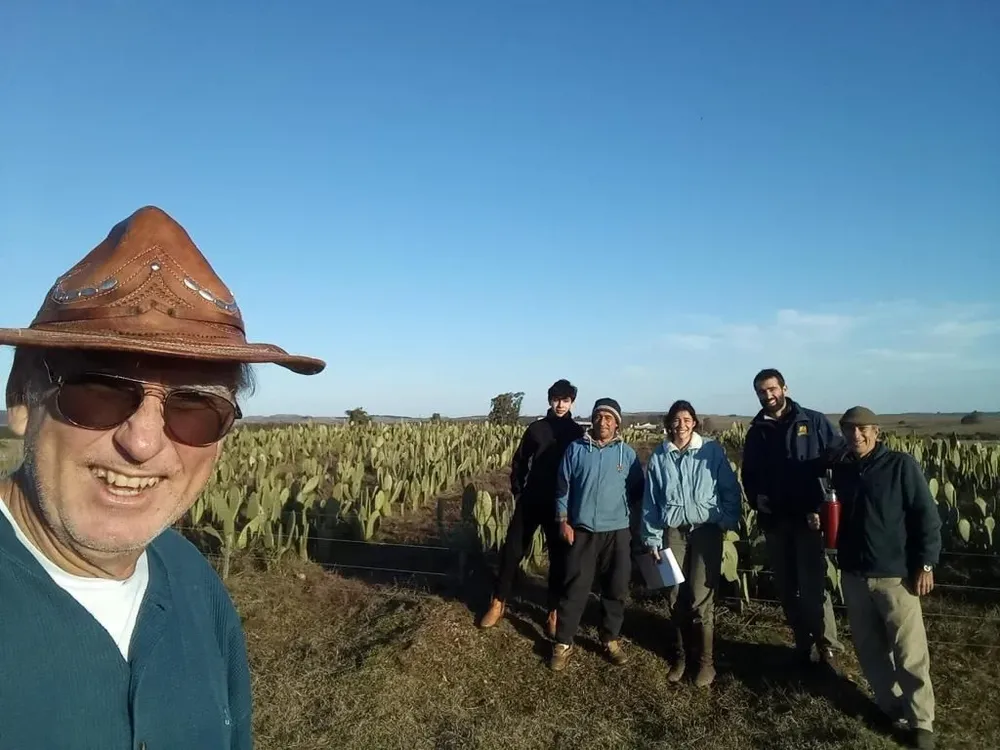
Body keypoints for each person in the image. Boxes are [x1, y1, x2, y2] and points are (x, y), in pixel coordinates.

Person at [0, 205, 325, 749]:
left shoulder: (192, 579)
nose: (144, 443)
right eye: (98, 392)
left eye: (196, 408)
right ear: (22, 399)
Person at [824, 407, 941, 750]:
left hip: (895, 576)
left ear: (876, 431)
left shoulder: (900, 466)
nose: (855, 436)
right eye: (849, 430)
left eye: (862, 430)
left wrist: (927, 564)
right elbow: (838, 516)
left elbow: (926, 516)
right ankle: (890, 708)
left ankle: (922, 723)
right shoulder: (843, 470)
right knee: (870, 648)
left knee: (909, 651)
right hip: (855, 574)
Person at [739, 368, 845, 668]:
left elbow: (837, 461)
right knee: (786, 587)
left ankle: (829, 648)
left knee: (813, 587)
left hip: (808, 520)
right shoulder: (757, 429)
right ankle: (803, 643)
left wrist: (824, 506)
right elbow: (750, 473)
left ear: (784, 387)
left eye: (772, 389)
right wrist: (755, 497)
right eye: (761, 391)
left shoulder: (812, 421)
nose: (768, 395)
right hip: (774, 520)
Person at [640, 400, 741, 687]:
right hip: (673, 532)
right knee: (675, 596)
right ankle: (682, 657)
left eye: (686, 419)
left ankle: (705, 663)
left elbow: (729, 488)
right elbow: (651, 501)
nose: (681, 425)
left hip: (706, 531)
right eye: (676, 420)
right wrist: (651, 536)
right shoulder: (660, 456)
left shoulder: (711, 450)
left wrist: (726, 519)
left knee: (701, 597)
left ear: (694, 422)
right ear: (669, 424)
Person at [478, 379, 584, 636]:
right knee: (512, 551)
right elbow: (520, 462)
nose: (561, 404)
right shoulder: (536, 429)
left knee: (559, 559)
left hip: (561, 505)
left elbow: (581, 471)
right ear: (550, 400)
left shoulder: (577, 433)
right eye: (557, 399)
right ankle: (498, 602)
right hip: (532, 500)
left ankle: (553, 611)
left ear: (572, 402)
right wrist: (519, 492)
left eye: (566, 400)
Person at [549, 398, 644, 671]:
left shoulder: (627, 454)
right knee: (575, 587)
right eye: (599, 416)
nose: (603, 422)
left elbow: (637, 492)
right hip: (582, 531)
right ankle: (564, 641)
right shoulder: (576, 449)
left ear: (617, 423)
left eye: (609, 418)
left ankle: (610, 638)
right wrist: (563, 521)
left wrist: (634, 526)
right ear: (593, 420)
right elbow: (562, 488)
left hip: (617, 531)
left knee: (615, 588)